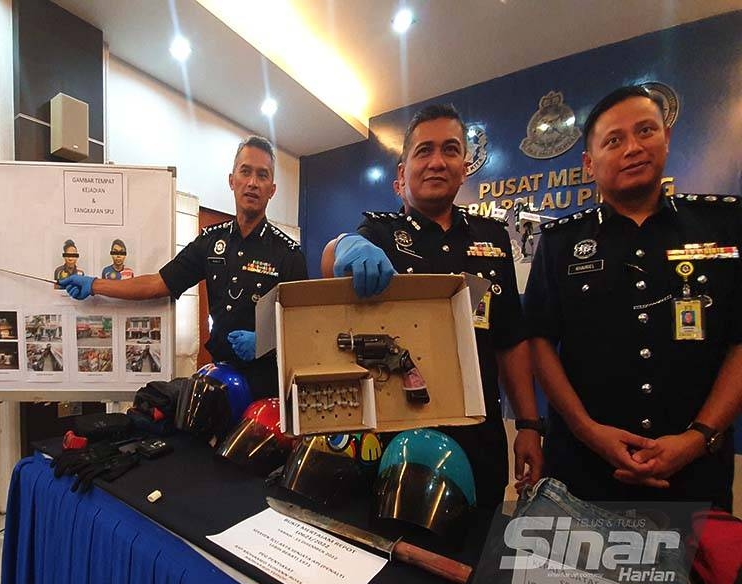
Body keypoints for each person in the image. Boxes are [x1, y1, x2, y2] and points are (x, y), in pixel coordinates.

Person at [524, 85, 741, 509]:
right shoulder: (560, 242)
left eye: (646, 131)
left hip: (696, 472)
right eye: (614, 140)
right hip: (583, 471)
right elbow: (540, 341)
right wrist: (587, 430)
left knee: (698, 576)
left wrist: (698, 438)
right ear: (590, 163)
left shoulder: (723, 225)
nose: (633, 148)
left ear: (667, 138)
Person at [320, 104, 543, 508]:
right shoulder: (381, 231)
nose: (437, 161)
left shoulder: (493, 239)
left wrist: (528, 424)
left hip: (479, 432)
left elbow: (511, 340)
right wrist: (345, 245)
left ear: (464, 165)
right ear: (403, 173)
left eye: (450, 150)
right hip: (396, 432)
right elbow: (330, 261)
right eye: (424, 151)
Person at [60, 135, 308, 399]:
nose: (252, 183)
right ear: (231, 180)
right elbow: (159, 283)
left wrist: (266, 343)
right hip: (218, 382)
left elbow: (305, 328)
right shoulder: (211, 242)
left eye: (262, 175)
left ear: (272, 189)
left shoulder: (288, 254)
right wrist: (96, 285)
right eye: (245, 172)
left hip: (267, 390)